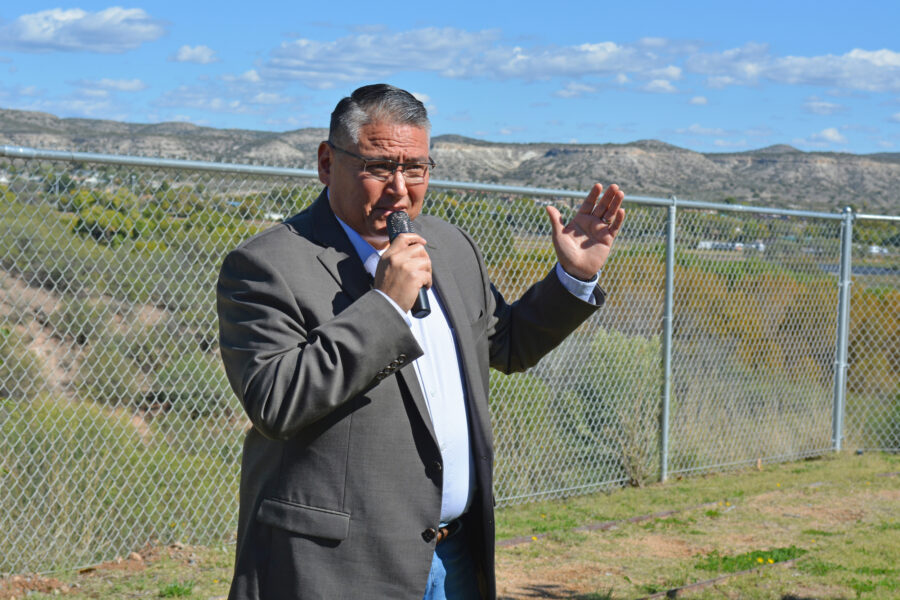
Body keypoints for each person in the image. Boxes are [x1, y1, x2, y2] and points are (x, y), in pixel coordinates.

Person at [217, 83, 625, 600]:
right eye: (379, 167)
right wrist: (385, 309)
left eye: (416, 168)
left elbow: (507, 345)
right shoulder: (266, 265)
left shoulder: (449, 246)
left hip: (454, 555)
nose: (401, 189)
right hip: (339, 567)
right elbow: (276, 402)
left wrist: (572, 278)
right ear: (326, 162)